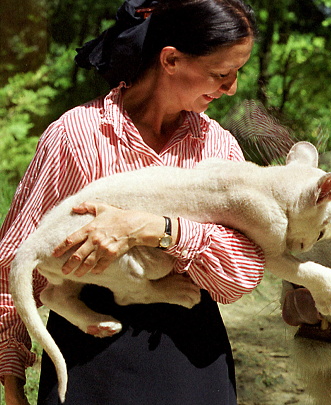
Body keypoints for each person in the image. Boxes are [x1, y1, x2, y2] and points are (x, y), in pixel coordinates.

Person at [0, 0, 265, 403]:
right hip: (92, 362)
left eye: (237, 74)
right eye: (221, 73)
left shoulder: (218, 148)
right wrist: (11, 377)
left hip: (192, 362)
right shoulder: (78, 136)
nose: (232, 88)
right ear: (171, 59)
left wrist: (162, 230)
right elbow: (16, 262)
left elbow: (242, 277)